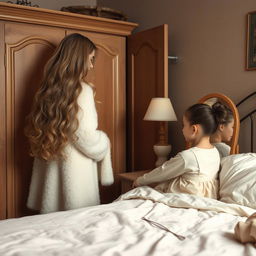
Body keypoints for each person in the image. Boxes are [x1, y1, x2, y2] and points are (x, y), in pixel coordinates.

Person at [25, 33, 114, 214]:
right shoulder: (82, 90)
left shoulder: (48, 89)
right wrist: (104, 143)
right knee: (77, 233)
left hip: (52, 178)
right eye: (90, 59)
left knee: (54, 233)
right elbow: (85, 137)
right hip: (76, 180)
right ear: (78, 59)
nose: (91, 65)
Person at [133, 103, 221, 199]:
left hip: (188, 196)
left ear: (194, 129)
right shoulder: (215, 151)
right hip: (208, 197)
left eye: (183, 125)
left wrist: (140, 180)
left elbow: (163, 171)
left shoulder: (188, 156)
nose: (182, 130)